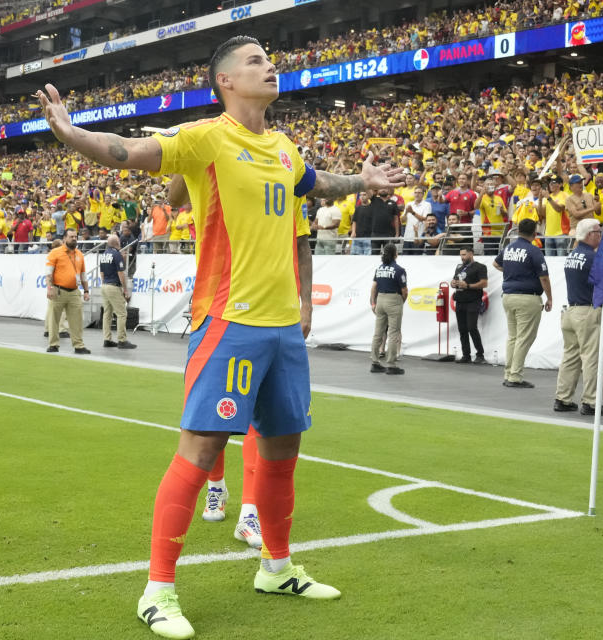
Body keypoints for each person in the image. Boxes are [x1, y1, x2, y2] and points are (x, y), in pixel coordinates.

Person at [37, 34, 405, 639]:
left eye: (271, 60)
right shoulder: (207, 138)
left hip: (284, 326)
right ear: (226, 82)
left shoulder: (284, 148)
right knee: (201, 450)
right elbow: (128, 150)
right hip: (228, 322)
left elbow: (318, 183)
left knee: (282, 450)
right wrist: (72, 134)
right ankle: (157, 591)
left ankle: (276, 567)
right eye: (256, 62)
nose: (270, 67)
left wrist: (361, 183)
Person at [553, 219, 603, 416]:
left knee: (570, 356)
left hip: (571, 310)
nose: (600, 234)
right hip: (586, 311)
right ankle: (590, 400)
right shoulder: (592, 258)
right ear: (590, 235)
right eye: (598, 231)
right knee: (591, 358)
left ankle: (562, 398)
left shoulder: (573, 255)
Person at [493, 218, 552, 388]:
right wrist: (549, 298)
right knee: (524, 338)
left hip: (508, 296)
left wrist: (512, 271)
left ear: (518, 231)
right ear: (535, 233)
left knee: (513, 336)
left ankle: (508, 372)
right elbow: (544, 277)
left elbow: (496, 263)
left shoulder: (509, 248)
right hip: (527, 297)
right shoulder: (534, 251)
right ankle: (515, 376)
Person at [45, 228, 91, 354]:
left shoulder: (79, 254)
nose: (74, 239)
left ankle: (78, 345)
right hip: (58, 290)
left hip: (74, 291)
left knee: (77, 320)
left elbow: (83, 275)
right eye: (71, 236)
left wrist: (86, 291)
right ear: (64, 238)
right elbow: (48, 274)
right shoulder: (55, 253)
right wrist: (50, 288)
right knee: (54, 319)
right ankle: (53, 344)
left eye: (76, 236)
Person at [369, 242, 407, 375]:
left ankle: (375, 362)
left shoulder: (379, 268)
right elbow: (404, 291)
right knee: (393, 333)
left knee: (378, 332)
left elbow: (374, 287)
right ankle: (391, 364)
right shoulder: (399, 270)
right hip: (393, 299)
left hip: (380, 299)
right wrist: (400, 301)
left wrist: (373, 303)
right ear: (396, 254)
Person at [99, 233, 137, 349]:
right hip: (113, 286)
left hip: (105, 284)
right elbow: (121, 273)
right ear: (117, 243)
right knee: (122, 313)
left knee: (107, 314)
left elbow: (102, 272)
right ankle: (122, 340)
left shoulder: (104, 254)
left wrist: (105, 282)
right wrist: (125, 289)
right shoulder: (117, 255)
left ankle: (107, 339)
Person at [450, 247, 488, 364]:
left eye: (464, 255)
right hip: (460, 300)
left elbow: (484, 283)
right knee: (462, 329)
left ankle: (480, 354)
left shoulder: (480, 267)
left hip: (473, 300)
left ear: (471, 254)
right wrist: (453, 283)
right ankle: (466, 355)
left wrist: (468, 286)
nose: (462, 257)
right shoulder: (459, 267)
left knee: (472, 327)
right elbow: (455, 281)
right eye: (461, 255)